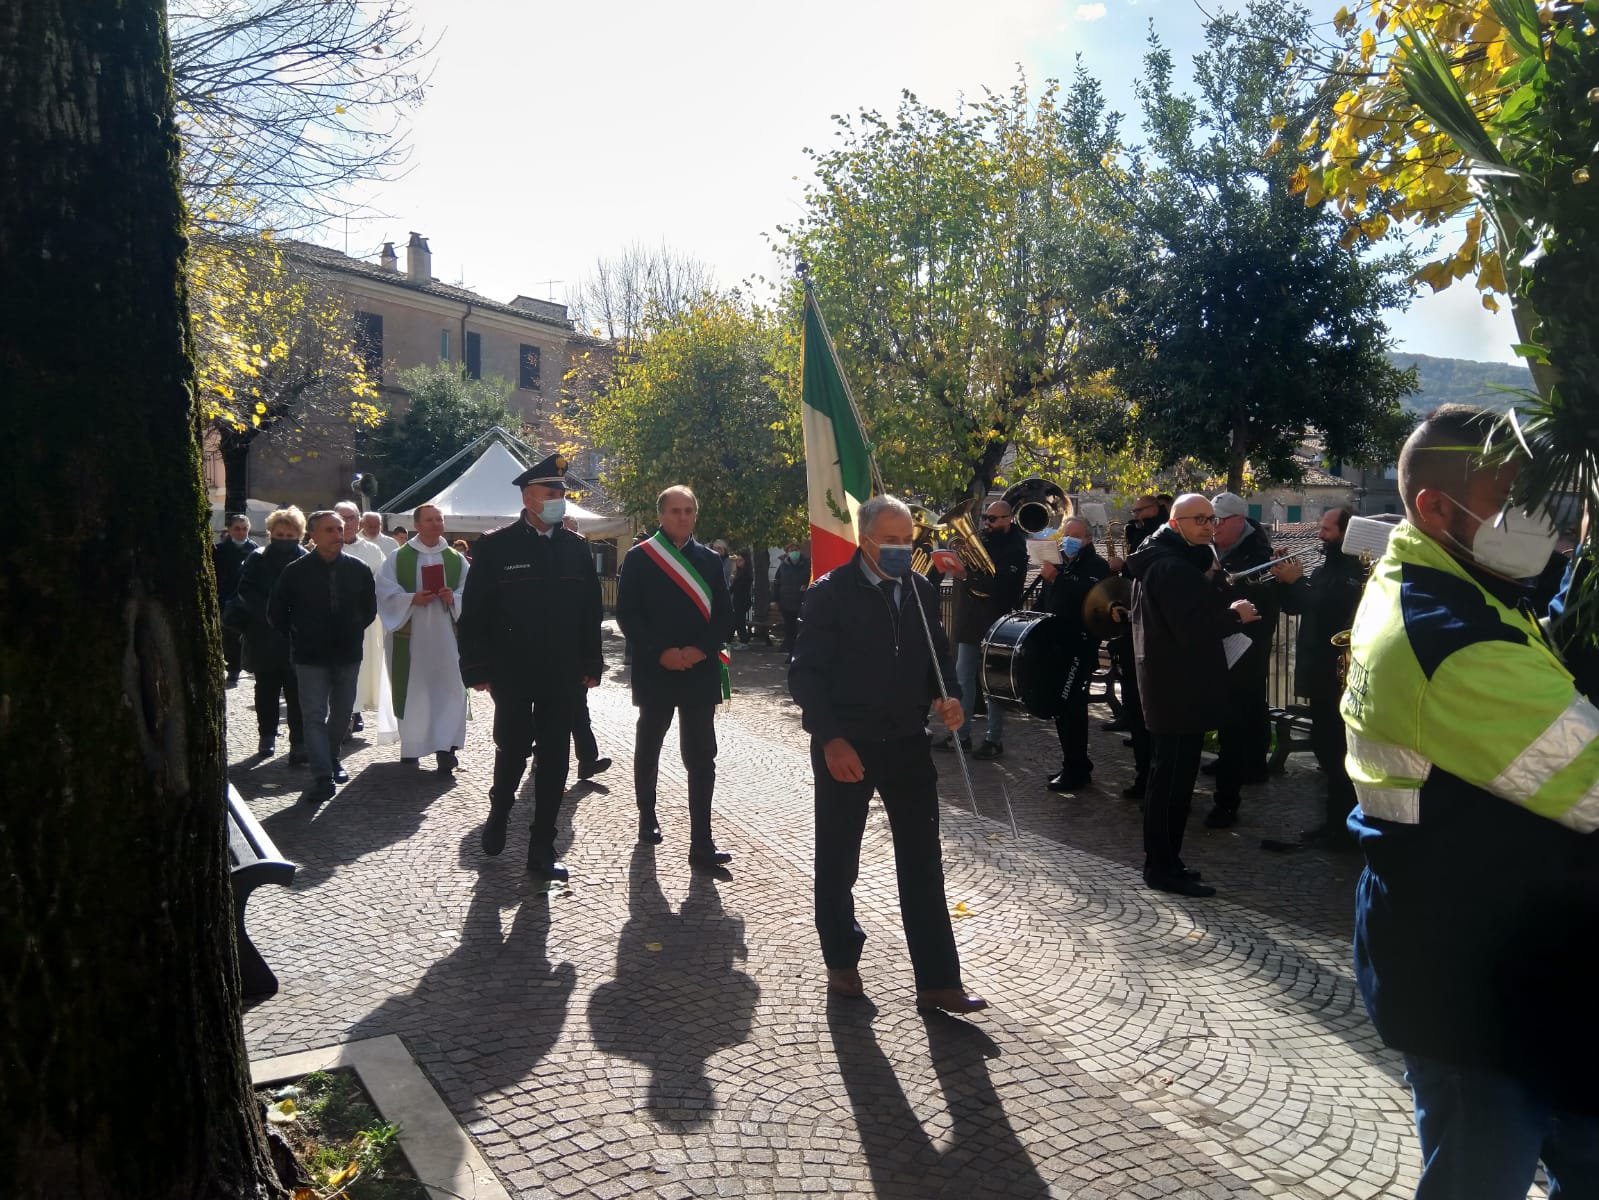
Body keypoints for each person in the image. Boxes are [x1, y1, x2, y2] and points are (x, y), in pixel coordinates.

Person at [1341, 404, 1599, 1199]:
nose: (1536, 519)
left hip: (1509, 958)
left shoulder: (1448, 578)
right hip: (1475, 985)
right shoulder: (1452, 639)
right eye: (1513, 497)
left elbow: (1549, 650)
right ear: (1433, 506)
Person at [789, 494, 988, 1015]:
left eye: (908, 541)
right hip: (846, 745)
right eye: (891, 541)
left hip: (907, 744)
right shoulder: (829, 594)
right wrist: (830, 739)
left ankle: (939, 980)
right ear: (864, 538)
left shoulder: (921, 589)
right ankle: (842, 959)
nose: (902, 550)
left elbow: (939, 661)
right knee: (838, 861)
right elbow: (806, 676)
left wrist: (949, 701)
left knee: (923, 862)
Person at [457, 453, 603, 881]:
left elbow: (589, 613)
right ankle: (500, 809)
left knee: (556, 757)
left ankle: (542, 845)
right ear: (528, 497)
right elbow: (476, 613)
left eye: (562, 492)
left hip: (562, 671)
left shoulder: (576, 548)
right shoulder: (497, 546)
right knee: (515, 745)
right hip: (512, 669)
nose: (559, 498)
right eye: (551, 491)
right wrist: (477, 668)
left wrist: (592, 662)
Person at [1125, 494, 1260, 897]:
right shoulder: (1171, 567)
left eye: (1212, 519)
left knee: (1171, 780)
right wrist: (1236, 616)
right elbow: (1191, 628)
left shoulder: (1165, 560)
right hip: (1177, 689)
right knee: (1171, 784)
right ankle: (1162, 867)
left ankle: (1168, 860)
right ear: (1175, 521)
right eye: (1199, 519)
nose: (1208, 526)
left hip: (1171, 685)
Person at [617, 485, 736, 867]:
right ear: (660, 516)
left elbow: (724, 616)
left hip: (699, 669)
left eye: (689, 511)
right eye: (675, 511)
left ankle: (701, 842)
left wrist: (700, 649)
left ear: (695, 515)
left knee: (702, 756)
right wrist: (661, 652)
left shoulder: (710, 560)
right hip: (656, 669)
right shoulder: (639, 558)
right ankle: (646, 815)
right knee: (649, 743)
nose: (682, 517)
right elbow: (628, 615)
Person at [1269, 507, 1364, 851]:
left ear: (1345, 532)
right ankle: (1333, 823)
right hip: (1317, 671)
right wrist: (1283, 579)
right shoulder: (1327, 568)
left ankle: (1344, 828)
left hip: (1336, 673)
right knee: (1326, 750)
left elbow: (1331, 611)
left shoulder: (1355, 572)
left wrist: (1299, 582)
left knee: (1338, 753)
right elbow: (1298, 608)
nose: (1320, 535)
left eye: (1326, 529)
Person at [268, 509, 377, 805]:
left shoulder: (358, 569)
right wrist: (300, 634)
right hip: (310, 655)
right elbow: (277, 613)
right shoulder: (295, 571)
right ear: (312, 535)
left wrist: (352, 630)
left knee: (342, 714)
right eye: (329, 530)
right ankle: (322, 776)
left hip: (348, 654)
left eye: (339, 529)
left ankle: (331, 759)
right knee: (314, 716)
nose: (337, 535)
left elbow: (369, 609)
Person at [1202, 491, 1281, 828]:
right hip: (1217, 639)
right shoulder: (1212, 548)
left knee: (1242, 713)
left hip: (1247, 645)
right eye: (1211, 520)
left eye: (1219, 520)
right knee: (1226, 712)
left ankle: (1231, 795)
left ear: (1238, 521)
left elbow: (1265, 604)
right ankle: (1231, 763)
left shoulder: (1259, 553)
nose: (1214, 527)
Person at [375, 504, 468, 774]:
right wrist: (411, 598)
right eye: (430, 519)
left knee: (449, 692)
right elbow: (384, 591)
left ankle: (446, 750)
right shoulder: (398, 557)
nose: (436, 523)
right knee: (414, 692)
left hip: (446, 638)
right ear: (417, 524)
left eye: (439, 519)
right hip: (409, 636)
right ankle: (413, 746)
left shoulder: (455, 558)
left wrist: (455, 598)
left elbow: (470, 592)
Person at [933, 500, 1028, 758]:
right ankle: (960, 737)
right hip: (970, 622)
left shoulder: (1015, 549)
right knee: (963, 679)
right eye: (985, 517)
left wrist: (966, 575)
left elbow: (1002, 587)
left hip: (996, 623)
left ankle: (993, 739)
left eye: (993, 519)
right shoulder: (982, 540)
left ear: (1009, 519)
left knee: (992, 683)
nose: (986, 523)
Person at [1037, 516, 1110, 791]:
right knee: (1060, 708)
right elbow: (1047, 600)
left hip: (1079, 646)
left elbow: (1087, 597)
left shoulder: (1097, 566)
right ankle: (1072, 762)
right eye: (1066, 535)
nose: (1068, 540)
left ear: (1088, 539)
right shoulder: (1059, 563)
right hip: (1056, 644)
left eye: (1075, 535)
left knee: (1073, 709)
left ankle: (1077, 767)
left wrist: (1057, 578)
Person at [1104, 495, 1169, 795]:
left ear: (1155, 511)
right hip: (1133, 628)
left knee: (1149, 716)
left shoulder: (1156, 540)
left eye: (1140, 511)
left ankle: (1152, 780)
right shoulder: (1138, 532)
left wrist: (1124, 564)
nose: (1135, 516)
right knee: (1135, 706)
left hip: (1149, 634)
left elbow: (1139, 573)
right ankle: (1143, 775)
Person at [236, 507, 306, 761]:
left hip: (295, 636)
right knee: (266, 689)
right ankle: (267, 735)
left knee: (297, 691)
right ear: (271, 533)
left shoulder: (306, 557)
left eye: (290, 534)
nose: (284, 539)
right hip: (263, 634)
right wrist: (267, 612)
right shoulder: (257, 558)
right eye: (280, 534)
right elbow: (245, 589)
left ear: (298, 534)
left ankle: (299, 740)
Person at [335, 500, 388, 737]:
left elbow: (383, 582)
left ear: (359, 522)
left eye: (351, 518)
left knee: (362, 669)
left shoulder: (372, 550)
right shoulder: (324, 548)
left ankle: (354, 712)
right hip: (332, 622)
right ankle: (342, 715)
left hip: (363, 621)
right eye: (342, 518)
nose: (347, 523)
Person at [214, 513, 257, 686]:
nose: (241, 532)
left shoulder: (254, 550)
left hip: (247, 598)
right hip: (226, 598)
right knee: (229, 634)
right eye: (237, 529)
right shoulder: (220, 550)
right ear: (230, 530)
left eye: (245, 528)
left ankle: (246, 663)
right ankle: (233, 667)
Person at [775, 541, 810, 660]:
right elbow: (777, 582)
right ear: (787, 552)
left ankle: (799, 654)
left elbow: (813, 580)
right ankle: (791, 654)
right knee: (789, 630)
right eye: (791, 550)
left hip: (801, 603)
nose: (794, 552)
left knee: (800, 630)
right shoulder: (783, 566)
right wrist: (776, 599)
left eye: (796, 550)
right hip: (786, 603)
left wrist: (806, 586)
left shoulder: (807, 564)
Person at [730, 551, 754, 644]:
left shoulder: (746, 574)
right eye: (737, 560)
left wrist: (734, 581)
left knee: (739, 622)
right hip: (737, 600)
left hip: (742, 601)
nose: (738, 562)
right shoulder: (739, 572)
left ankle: (744, 641)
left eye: (740, 560)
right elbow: (733, 588)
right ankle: (729, 640)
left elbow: (739, 587)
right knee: (736, 622)